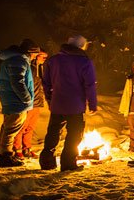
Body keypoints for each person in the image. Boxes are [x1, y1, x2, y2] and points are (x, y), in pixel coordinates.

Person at [39, 35, 98, 172]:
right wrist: (93, 104)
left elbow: (46, 83)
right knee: (74, 134)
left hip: (57, 104)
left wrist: (50, 99)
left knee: (53, 132)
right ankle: (68, 163)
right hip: (75, 105)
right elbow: (90, 84)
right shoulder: (84, 62)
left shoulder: (53, 60)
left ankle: (47, 161)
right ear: (81, 46)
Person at [0, 38, 40, 167]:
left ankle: (1, 153)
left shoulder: (14, 60)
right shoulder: (18, 61)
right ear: (30, 52)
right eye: (35, 54)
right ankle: (6, 156)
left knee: (7, 127)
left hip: (11, 100)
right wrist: (27, 99)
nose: (35, 57)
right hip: (16, 102)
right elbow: (17, 82)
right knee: (11, 129)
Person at [12, 49, 48, 159]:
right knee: (22, 126)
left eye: (46, 57)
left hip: (37, 102)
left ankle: (27, 148)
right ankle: (17, 149)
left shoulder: (40, 68)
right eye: (43, 57)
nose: (45, 59)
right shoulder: (30, 67)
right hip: (28, 102)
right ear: (37, 56)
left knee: (30, 127)